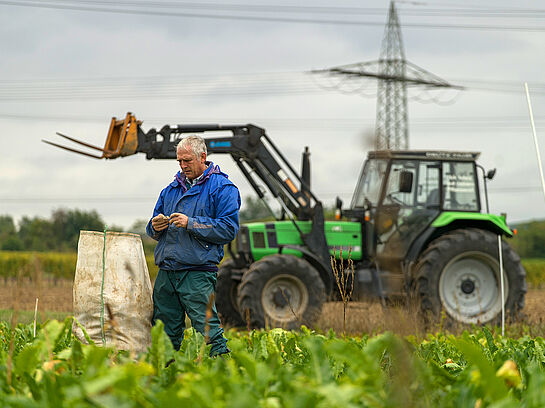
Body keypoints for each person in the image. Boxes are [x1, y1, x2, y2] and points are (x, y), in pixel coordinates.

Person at [146, 134, 241, 357]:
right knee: (164, 334)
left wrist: (191, 223)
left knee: (208, 331)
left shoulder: (223, 188)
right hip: (167, 273)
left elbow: (228, 229)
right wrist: (155, 226)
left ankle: (222, 377)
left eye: (187, 160)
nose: (182, 165)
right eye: (179, 161)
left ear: (203, 157)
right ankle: (168, 378)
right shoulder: (170, 190)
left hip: (197, 273)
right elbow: (152, 230)